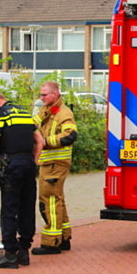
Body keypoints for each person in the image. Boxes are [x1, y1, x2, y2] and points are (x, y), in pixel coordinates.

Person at [0, 90, 44, 269]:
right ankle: (24, 252)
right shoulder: (25, 114)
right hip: (28, 164)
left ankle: (10, 254)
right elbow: (40, 141)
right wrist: (32, 162)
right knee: (27, 207)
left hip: (12, 165)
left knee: (9, 209)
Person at [32, 81, 77, 256]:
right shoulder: (46, 110)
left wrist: (45, 143)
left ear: (55, 94)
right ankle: (64, 237)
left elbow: (70, 135)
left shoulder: (63, 113)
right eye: (41, 95)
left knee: (49, 201)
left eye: (44, 95)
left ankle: (52, 242)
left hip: (55, 163)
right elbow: (32, 125)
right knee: (57, 199)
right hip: (48, 163)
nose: (41, 98)